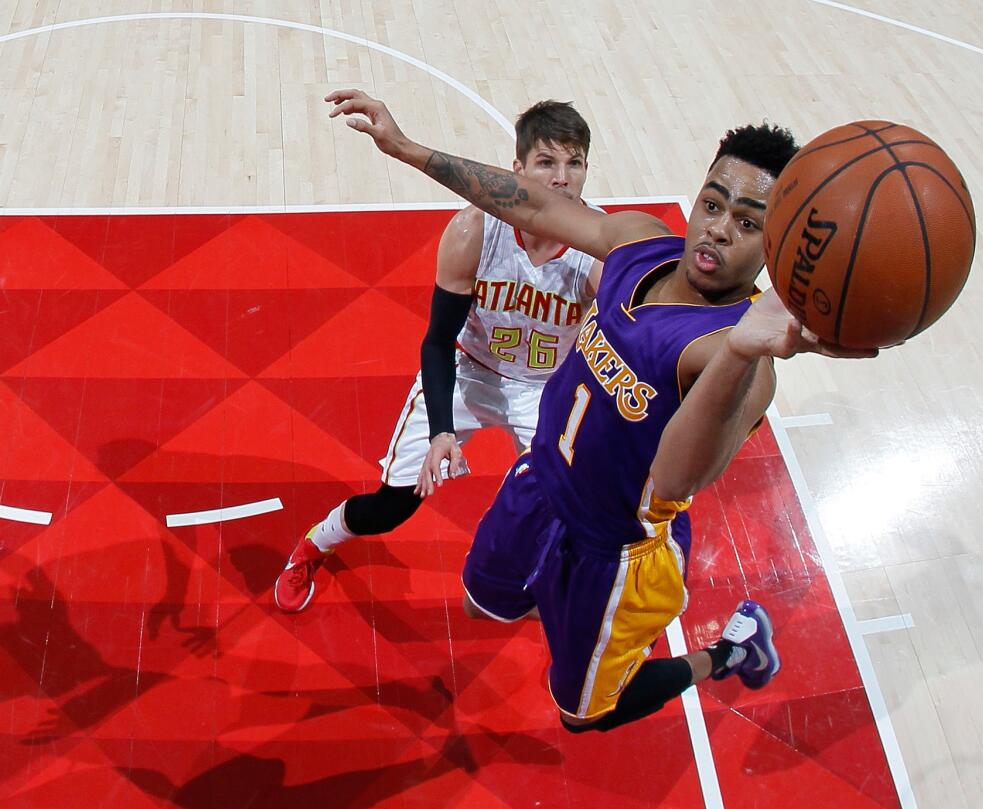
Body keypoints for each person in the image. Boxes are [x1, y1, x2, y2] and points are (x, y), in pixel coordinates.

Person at [324, 88, 877, 732]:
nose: (719, 228)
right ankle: (569, 618)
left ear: (776, 246)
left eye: (749, 223)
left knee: (583, 716)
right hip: (539, 487)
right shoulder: (639, 242)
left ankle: (728, 652)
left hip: (614, 554)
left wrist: (742, 353)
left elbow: (675, 482)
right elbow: (532, 202)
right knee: (482, 604)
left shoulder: (741, 364)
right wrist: (406, 148)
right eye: (712, 203)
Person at [275, 100, 602, 613]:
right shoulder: (476, 230)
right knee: (391, 507)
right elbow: (437, 340)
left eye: (574, 163)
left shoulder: (600, 251)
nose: (561, 179)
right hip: (470, 372)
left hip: (544, 386)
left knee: (568, 508)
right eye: (546, 163)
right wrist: (443, 431)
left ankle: (554, 590)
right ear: (517, 170)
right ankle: (314, 544)